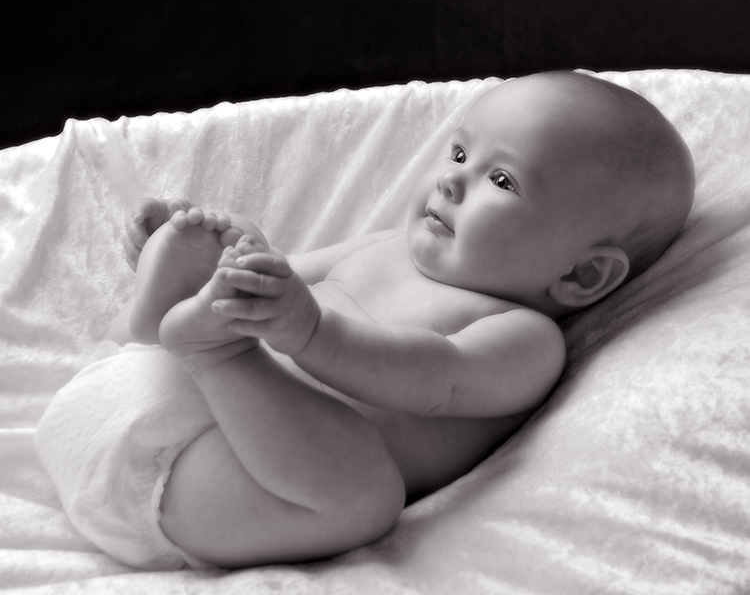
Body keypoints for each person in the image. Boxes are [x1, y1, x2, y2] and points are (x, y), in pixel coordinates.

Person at [36, 71, 695, 571]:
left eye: (502, 180)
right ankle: (164, 314)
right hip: (134, 396)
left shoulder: (524, 336)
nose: (450, 183)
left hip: (203, 483)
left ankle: (204, 342)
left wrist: (311, 332)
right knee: (236, 302)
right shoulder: (387, 246)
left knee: (366, 498)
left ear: (583, 276)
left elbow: (437, 379)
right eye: (460, 155)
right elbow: (285, 275)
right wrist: (234, 256)